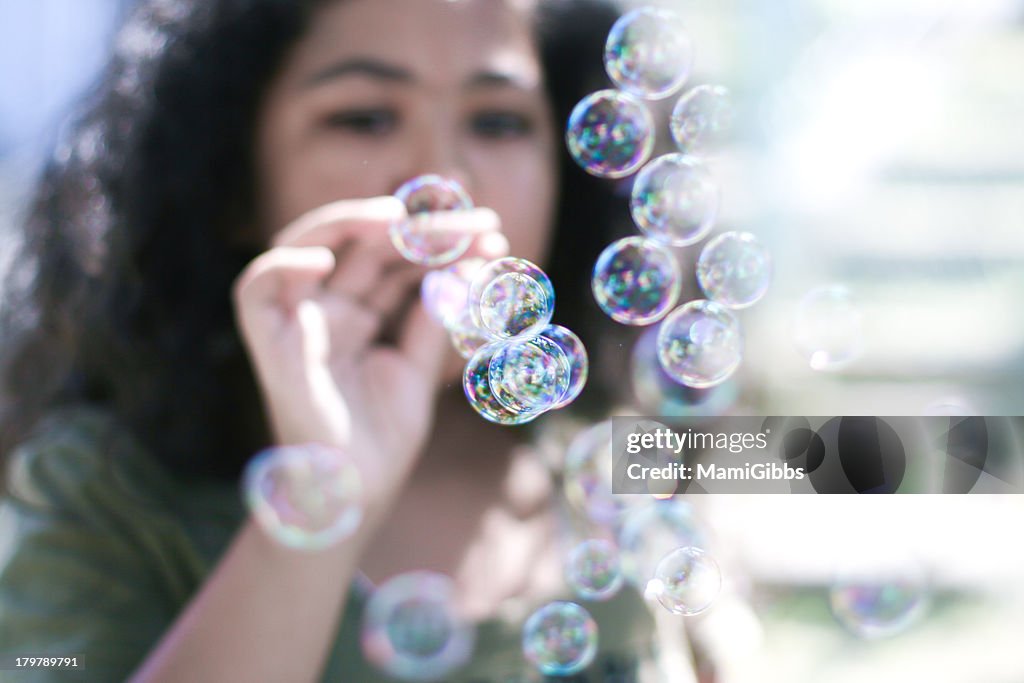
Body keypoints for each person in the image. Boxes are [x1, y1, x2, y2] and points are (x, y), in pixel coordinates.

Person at [0, 0, 706, 680]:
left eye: (498, 120)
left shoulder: (618, 448)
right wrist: (322, 486)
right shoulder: (104, 490)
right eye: (364, 118)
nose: (445, 179)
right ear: (232, 181)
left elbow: (812, 456)